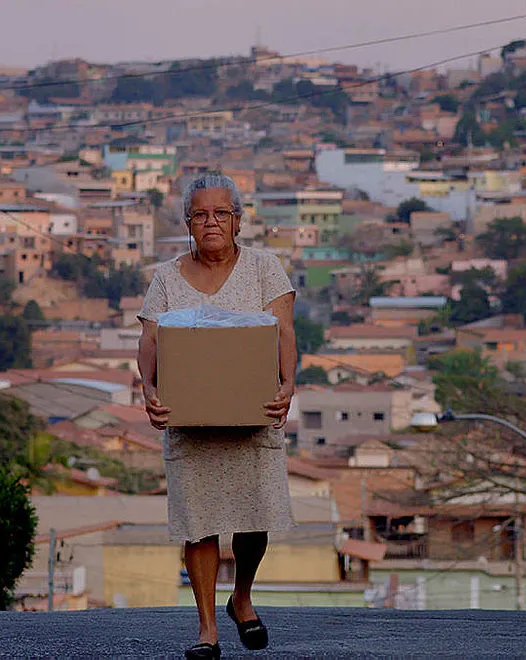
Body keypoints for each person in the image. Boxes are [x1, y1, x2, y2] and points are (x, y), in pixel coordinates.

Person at [136, 173, 298, 660]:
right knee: (198, 526)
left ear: (238, 220)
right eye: (201, 214)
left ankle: (241, 597)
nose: (211, 222)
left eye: (221, 213)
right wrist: (149, 390)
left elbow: (284, 333)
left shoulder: (266, 269)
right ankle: (207, 630)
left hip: (253, 420)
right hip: (191, 425)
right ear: (188, 223)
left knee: (254, 523)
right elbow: (149, 342)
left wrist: (287, 386)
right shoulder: (166, 277)